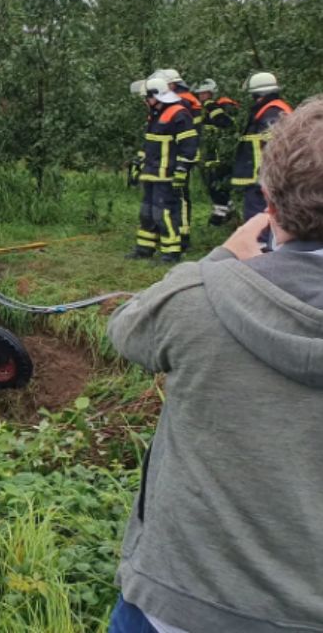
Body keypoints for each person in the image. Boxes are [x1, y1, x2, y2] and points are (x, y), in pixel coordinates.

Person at [107, 97, 323, 633]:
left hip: (176, 604)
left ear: (267, 200)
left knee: (166, 220)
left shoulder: (198, 299)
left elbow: (127, 330)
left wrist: (218, 261)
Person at [128, 77, 196, 264]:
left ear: (156, 96)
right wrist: (138, 163)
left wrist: (182, 169)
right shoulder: (156, 114)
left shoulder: (179, 114)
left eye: (146, 98)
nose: (145, 102)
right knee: (146, 212)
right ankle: (145, 249)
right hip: (152, 173)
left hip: (167, 175)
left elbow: (189, 146)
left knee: (163, 214)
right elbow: (149, 144)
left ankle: (171, 253)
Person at [232, 72, 292, 222]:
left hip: (262, 178)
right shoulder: (272, 110)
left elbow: (276, 146)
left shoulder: (272, 112)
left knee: (259, 220)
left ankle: (262, 246)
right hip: (262, 178)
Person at [160, 70, 202, 248]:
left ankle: (183, 234)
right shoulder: (184, 98)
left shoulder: (183, 100)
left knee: (180, 194)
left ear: (172, 84)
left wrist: (183, 163)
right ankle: (175, 229)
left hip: (182, 154)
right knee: (174, 194)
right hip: (178, 153)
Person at [192, 79, 240, 225]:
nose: (201, 96)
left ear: (212, 93)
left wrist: (210, 106)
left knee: (218, 183)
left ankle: (221, 214)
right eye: (199, 94)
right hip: (210, 153)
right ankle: (227, 211)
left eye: (204, 93)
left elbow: (226, 123)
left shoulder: (225, 104)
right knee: (212, 184)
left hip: (224, 153)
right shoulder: (204, 108)